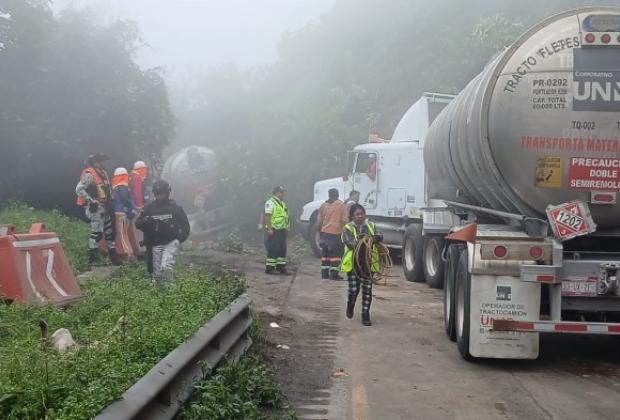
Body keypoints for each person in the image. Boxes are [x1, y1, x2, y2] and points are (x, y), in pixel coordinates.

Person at [135, 180, 190, 284]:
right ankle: (159, 295)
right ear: (154, 194)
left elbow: (185, 226)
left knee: (165, 267)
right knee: (157, 274)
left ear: (167, 192)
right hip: (155, 244)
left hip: (171, 242)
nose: (160, 196)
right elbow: (138, 223)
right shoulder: (149, 208)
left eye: (162, 194)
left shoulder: (175, 207)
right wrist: (146, 221)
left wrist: (179, 240)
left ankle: (170, 292)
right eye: (158, 194)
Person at [75, 153, 122, 265]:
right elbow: (79, 189)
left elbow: (106, 189)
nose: (104, 163)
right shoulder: (90, 174)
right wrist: (91, 200)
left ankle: (113, 255)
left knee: (110, 232)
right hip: (96, 208)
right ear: (95, 162)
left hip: (106, 206)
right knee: (97, 233)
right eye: (101, 160)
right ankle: (93, 257)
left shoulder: (103, 173)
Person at [341, 204, 383, 326]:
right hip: (354, 264)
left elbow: (380, 236)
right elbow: (349, 243)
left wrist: (373, 238)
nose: (360, 216)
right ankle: (351, 305)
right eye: (357, 214)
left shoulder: (371, 226)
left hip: (368, 264)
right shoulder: (347, 228)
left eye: (362, 213)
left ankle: (365, 315)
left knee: (367, 290)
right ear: (352, 216)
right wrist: (362, 240)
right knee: (354, 290)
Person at [317, 188, 347, 280]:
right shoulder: (341, 205)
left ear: (329, 195)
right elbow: (345, 220)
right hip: (335, 233)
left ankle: (324, 274)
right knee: (336, 255)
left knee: (325, 255)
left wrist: (320, 232)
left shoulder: (323, 205)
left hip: (324, 233)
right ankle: (334, 275)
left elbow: (319, 221)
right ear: (337, 195)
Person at [264, 186, 290, 275]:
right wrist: (270, 228)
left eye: (283, 192)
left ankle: (281, 267)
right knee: (273, 249)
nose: (283, 194)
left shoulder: (282, 203)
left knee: (282, 249)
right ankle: (269, 268)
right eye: (281, 192)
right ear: (276, 193)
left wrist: (287, 228)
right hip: (274, 229)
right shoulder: (270, 202)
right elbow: (267, 216)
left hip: (282, 229)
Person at [111, 167, 136, 261]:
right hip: (121, 212)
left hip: (117, 211)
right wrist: (131, 206)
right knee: (122, 234)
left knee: (121, 232)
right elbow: (125, 199)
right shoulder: (122, 187)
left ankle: (125, 252)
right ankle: (128, 253)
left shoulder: (115, 187)